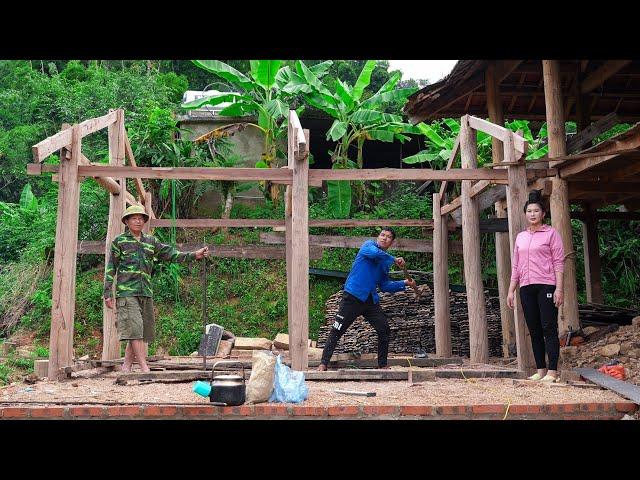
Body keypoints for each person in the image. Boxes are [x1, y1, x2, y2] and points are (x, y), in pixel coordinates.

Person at [103, 205, 209, 372]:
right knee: (135, 329)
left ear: (144, 221)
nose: (138, 221)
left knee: (139, 330)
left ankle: (126, 367)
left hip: (145, 291)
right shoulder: (120, 241)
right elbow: (111, 267)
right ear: (127, 221)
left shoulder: (151, 242)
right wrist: (107, 292)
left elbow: (170, 254)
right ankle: (144, 367)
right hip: (126, 292)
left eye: (140, 218)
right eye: (133, 218)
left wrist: (194, 255)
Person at [318, 228, 416, 371]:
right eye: (382, 235)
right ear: (378, 237)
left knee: (384, 329)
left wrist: (404, 283)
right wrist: (394, 259)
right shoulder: (368, 246)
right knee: (337, 329)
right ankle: (323, 363)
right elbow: (375, 253)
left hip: (370, 300)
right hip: (352, 296)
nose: (384, 238)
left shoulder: (385, 263)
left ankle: (382, 365)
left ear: (392, 242)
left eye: (388, 237)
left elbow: (384, 286)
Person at [507, 190, 564, 382]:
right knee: (534, 330)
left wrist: (559, 288)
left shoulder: (551, 234)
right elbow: (515, 265)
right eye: (529, 211)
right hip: (526, 287)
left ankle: (553, 371)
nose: (532, 214)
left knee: (549, 327)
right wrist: (511, 290)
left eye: (536, 211)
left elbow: (558, 262)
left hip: (546, 286)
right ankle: (540, 370)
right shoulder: (521, 237)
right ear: (525, 214)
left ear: (543, 214)